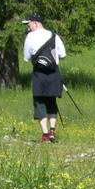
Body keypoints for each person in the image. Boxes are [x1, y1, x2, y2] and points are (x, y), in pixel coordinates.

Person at [22, 13, 66, 142]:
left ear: (36, 23)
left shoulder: (29, 37)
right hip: (54, 73)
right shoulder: (54, 35)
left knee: (40, 103)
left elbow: (27, 58)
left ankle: (45, 134)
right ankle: (52, 131)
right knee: (52, 102)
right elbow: (62, 55)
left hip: (39, 74)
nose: (28, 27)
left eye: (28, 24)